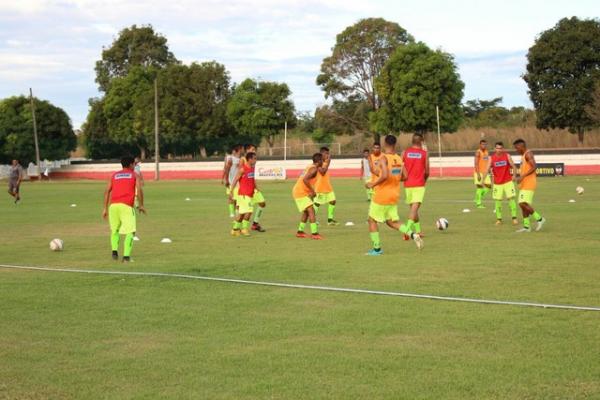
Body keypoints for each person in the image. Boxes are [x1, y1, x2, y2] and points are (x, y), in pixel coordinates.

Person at [366, 135, 423, 255]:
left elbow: (385, 175)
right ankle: (413, 235)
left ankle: (377, 249)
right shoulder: (398, 158)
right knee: (392, 222)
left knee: (371, 220)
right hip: (394, 195)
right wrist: (395, 179)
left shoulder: (383, 158)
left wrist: (373, 184)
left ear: (384, 144)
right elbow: (405, 176)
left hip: (382, 195)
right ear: (394, 144)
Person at [102, 156, 146, 262]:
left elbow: (107, 191)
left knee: (115, 230)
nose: (135, 166)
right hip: (126, 206)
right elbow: (139, 190)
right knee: (131, 232)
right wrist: (141, 205)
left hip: (113, 207)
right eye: (134, 164)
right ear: (131, 164)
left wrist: (105, 208)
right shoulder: (134, 175)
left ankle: (114, 252)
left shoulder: (114, 175)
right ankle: (126, 257)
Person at [482, 141, 518, 225]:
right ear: (495, 149)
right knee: (498, 201)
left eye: (500, 148)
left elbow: (514, 166)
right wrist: (483, 180)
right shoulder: (491, 158)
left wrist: (514, 175)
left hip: (508, 182)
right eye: (497, 148)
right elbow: (487, 169)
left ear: (503, 149)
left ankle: (514, 218)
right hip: (497, 184)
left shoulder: (507, 156)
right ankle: (499, 219)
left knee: (511, 199)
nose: (499, 150)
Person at [400, 133, 429, 238]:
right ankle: (407, 231)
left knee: (413, 209)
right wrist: (424, 180)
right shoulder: (424, 153)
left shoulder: (405, 152)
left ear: (412, 141)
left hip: (407, 184)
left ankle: (418, 231)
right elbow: (427, 171)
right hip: (419, 184)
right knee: (414, 209)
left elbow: (399, 167)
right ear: (421, 142)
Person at [513, 139, 546, 232]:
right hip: (525, 183)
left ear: (521, 146)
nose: (516, 150)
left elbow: (534, 166)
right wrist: (519, 178)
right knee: (523, 205)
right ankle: (527, 227)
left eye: (516, 148)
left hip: (529, 183)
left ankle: (540, 219)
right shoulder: (523, 156)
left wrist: (522, 176)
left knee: (522, 203)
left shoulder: (528, 154)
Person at [292, 153, 323, 240]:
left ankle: (300, 232)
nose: (323, 161)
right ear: (319, 161)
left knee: (306, 212)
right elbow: (305, 179)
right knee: (311, 210)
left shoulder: (311, 167)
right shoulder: (313, 169)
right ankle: (314, 233)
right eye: (322, 160)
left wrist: (310, 191)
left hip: (301, 191)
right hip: (300, 192)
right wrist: (312, 191)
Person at [229, 152, 257, 237]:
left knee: (242, 214)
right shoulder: (243, 169)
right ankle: (244, 229)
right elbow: (235, 180)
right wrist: (231, 191)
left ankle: (235, 229)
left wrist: (255, 188)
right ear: (250, 159)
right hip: (244, 194)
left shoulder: (252, 168)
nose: (256, 160)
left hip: (249, 194)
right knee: (249, 211)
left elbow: (251, 180)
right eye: (255, 158)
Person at [240, 144, 267, 232]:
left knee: (262, 203)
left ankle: (255, 224)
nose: (254, 151)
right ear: (247, 150)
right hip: (244, 189)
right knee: (243, 209)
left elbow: (252, 176)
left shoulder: (253, 161)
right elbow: (240, 175)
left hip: (253, 188)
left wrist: (256, 186)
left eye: (255, 149)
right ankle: (238, 227)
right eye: (253, 149)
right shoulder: (243, 160)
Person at [314, 146, 338, 225]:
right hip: (320, 187)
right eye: (326, 153)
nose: (328, 155)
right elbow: (322, 172)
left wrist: (327, 163)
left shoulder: (325, 162)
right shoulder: (318, 163)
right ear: (322, 154)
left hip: (327, 186)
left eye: (328, 153)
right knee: (317, 203)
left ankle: (330, 220)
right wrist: (328, 163)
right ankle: (313, 219)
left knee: (333, 201)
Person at [222, 145, 242, 218]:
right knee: (231, 197)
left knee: (237, 199)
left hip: (238, 182)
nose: (241, 151)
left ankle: (236, 213)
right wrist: (225, 180)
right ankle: (231, 213)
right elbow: (226, 169)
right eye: (240, 150)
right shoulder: (230, 158)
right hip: (231, 182)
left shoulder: (241, 159)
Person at [473, 139, 491, 208]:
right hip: (479, 172)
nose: (484, 145)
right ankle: (479, 204)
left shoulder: (487, 152)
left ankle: (477, 197)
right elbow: (476, 164)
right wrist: (477, 174)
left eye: (485, 144)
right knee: (480, 187)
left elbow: (487, 162)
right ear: (480, 145)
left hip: (485, 172)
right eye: (482, 144)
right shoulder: (478, 152)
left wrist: (489, 170)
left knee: (489, 186)